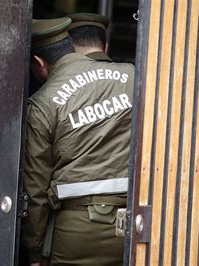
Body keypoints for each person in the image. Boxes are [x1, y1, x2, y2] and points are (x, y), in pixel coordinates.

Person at [21, 17, 135, 266]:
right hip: (133, 227)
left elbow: (35, 187)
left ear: (40, 63)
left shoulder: (43, 102)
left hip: (74, 233)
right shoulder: (133, 77)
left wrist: (34, 251)